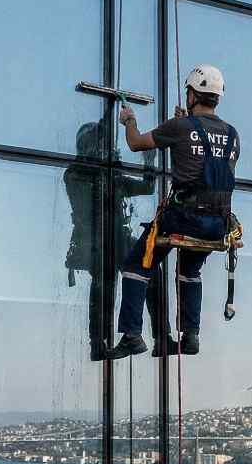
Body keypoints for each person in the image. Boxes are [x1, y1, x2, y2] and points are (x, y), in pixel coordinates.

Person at [105, 64, 239, 360]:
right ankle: (190, 335)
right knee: (189, 271)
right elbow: (205, 161)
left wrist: (129, 120)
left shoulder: (180, 127)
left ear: (192, 95)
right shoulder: (232, 134)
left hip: (184, 218)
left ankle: (132, 335)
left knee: (136, 265)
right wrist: (183, 128)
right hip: (217, 223)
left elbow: (136, 143)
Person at [64, 119, 163, 360]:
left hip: (115, 238)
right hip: (96, 241)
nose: (109, 150)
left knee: (147, 272)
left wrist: (149, 164)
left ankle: (157, 336)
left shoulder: (112, 177)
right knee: (103, 285)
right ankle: (98, 343)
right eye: (102, 145)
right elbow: (92, 190)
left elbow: (148, 188)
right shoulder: (76, 173)